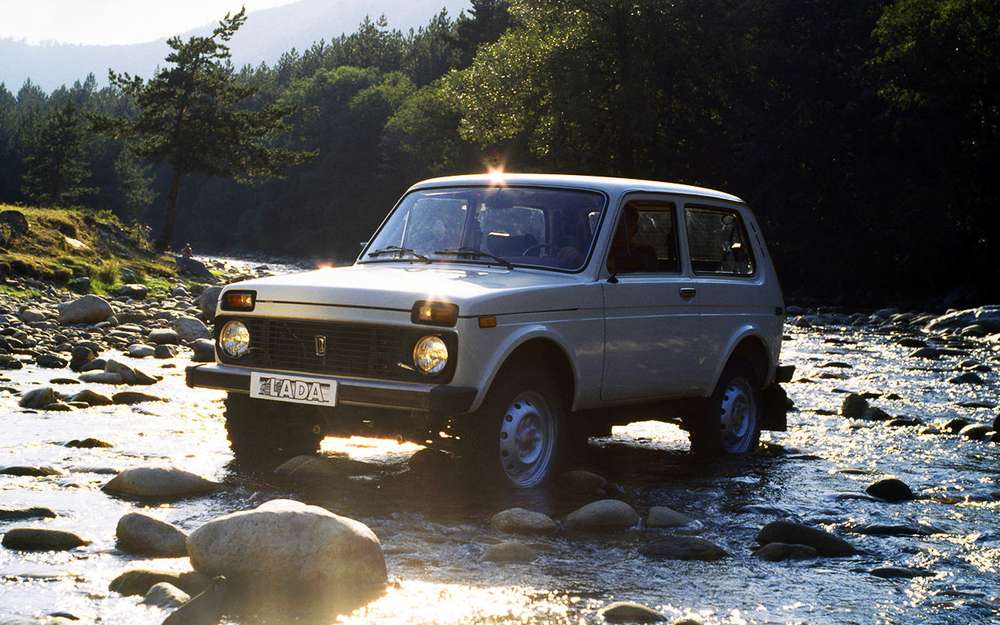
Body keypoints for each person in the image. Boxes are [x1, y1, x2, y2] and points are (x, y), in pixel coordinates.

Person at [608, 205, 657, 273]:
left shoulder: (645, 253)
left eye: (625, 225)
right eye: (619, 225)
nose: (620, 229)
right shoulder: (603, 251)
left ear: (635, 229)